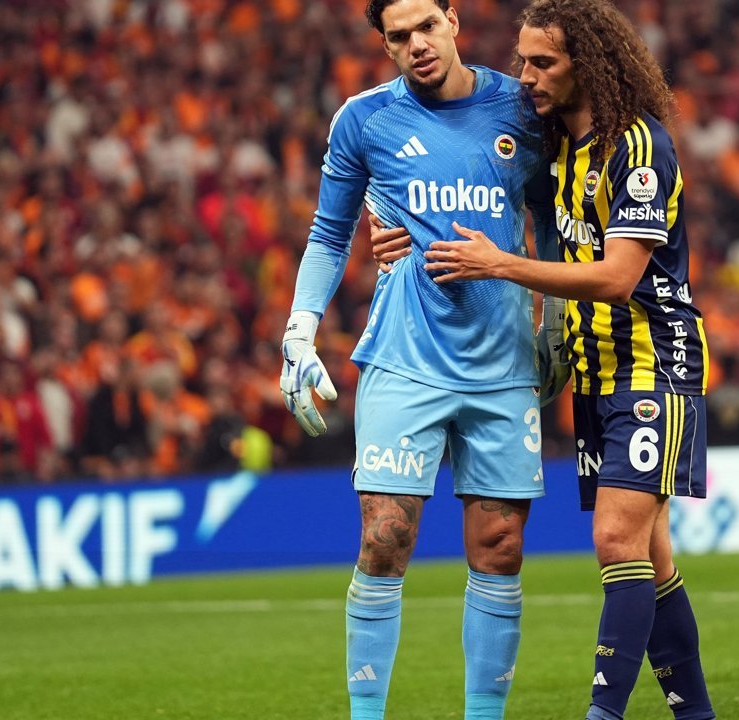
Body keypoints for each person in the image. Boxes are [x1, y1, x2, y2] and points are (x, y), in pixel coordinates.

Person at [373, 1, 715, 718]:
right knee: (650, 559)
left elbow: (617, 277)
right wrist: (396, 232)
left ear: (586, 65)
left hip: (654, 360)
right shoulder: (557, 144)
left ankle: (602, 713)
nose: (525, 76)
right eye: (523, 61)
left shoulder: (638, 146)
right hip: (594, 370)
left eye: (543, 63)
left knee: (615, 538)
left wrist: (500, 266)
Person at [279, 1, 552, 718]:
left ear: (453, 19)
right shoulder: (364, 120)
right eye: (399, 37)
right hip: (405, 357)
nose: (417, 45)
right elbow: (329, 233)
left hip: (503, 360)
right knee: (384, 539)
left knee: (500, 546)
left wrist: (555, 321)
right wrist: (300, 333)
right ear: (386, 45)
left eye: (427, 26)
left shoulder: (521, 109)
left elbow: (550, 219)